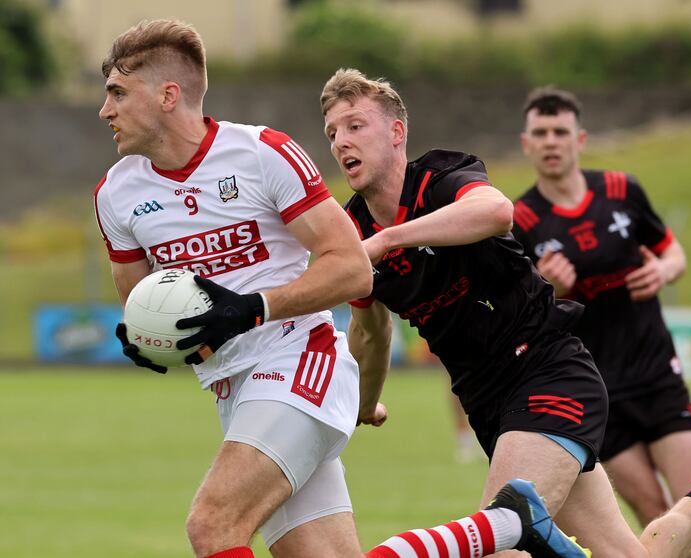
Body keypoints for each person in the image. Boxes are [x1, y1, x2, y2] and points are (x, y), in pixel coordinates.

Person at [93, 19, 591, 558]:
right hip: (232, 391)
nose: (105, 110)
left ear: (169, 95)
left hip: (297, 365)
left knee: (211, 525)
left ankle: (502, 526)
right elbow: (138, 300)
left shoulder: (263, 153)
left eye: (118, 92)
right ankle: (506, 527)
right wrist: (142, 337)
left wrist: (251, 309)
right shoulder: (116, 195)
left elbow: (352, 269)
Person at [319, 67, 691, 558]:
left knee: (501, 542)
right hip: (490, 405)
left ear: (397, 132)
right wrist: (364, 403)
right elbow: (369, 331)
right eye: (332, 132)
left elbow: (495, 211)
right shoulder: (351, 228)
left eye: (355, 125)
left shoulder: (440, 178)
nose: (341, 142)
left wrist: (387, 239)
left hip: (545, 372)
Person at [510, 86, 691, 557]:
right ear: (526, 143)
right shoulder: (521, 220)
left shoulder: (621, 191)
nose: (551, 142)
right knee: (658, 517)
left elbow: (673, 251)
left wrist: (664, 269)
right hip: (595, 391)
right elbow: (518, 316)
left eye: (560, 132)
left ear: (580, 139)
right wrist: (545, 286)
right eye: (541, 133)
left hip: (656, 375)